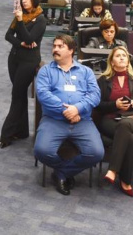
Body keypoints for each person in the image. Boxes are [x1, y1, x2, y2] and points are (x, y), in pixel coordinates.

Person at [33, 34, 103, 196]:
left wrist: (77, 109)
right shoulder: (45, 71)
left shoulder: (86, 72)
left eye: (60, 46)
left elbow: (95, 95)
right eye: (54, 46)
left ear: (71, 50)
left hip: (82, 120)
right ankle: (66, 172)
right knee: (42, 150)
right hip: (54, 120)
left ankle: (61, 173)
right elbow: (43, 95)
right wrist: (67, 111)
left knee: (96, 152)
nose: (55, 49)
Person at [0, 0, 47, 148]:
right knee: (19, 95)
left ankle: (6, 134)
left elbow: (30, 39)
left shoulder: (40, 19)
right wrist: (20, 43)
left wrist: (20, 23)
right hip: (14, 59)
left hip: (29, 62)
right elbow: (8, 36)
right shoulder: (21, 15)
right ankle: (22, 131)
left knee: (16, 95)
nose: (24, 1)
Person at [96, 46, 133, 197]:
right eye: (118, 56)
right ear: (112, 61)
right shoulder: (103, 80)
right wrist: (114, 105)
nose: (122, 58)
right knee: (129, 138)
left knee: (125, 125)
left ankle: (112, 170)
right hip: (110, 120)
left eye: (124, 55)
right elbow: (98, 105)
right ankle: (126, 181)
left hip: (132, 119)